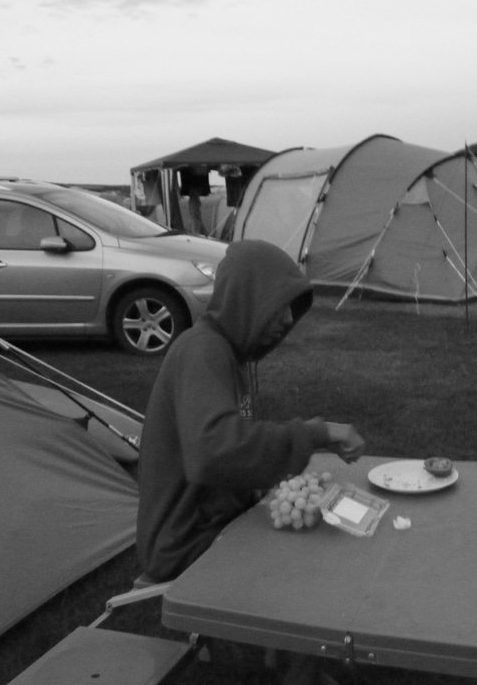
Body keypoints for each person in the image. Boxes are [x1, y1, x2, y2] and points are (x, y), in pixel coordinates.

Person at [136, 239, 366, 585]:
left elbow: (231, 452)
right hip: (183, 543)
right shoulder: (201, 352)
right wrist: (318, 433)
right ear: (246, 298)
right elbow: (214, 452)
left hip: (215, 521)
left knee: (329, 538)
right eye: (279, 305)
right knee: (318, 573)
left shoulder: (228, 355)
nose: (288, 319)